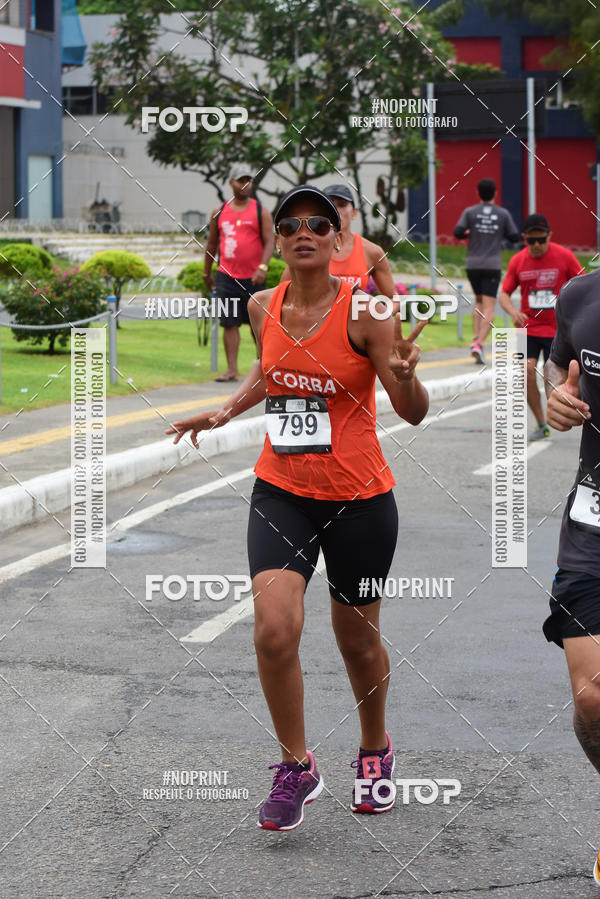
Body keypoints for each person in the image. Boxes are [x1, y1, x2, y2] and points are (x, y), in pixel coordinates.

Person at [167, 184, 429, 831]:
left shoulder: (367, 312)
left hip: (360, 501)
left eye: (319, 222)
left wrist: (405, 373)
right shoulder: (263, 305)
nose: (304, 231)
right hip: (281, 489)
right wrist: (226, 408)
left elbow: (415, 411)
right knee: (273, 628)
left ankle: (374, 749)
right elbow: (271, 369)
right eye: (291, 224)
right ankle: (296, 765)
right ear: (277, 241)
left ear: (340, 238)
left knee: (357, 641)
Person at [541, 266, 600, 882]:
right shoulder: (581, 294)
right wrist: (558, 395)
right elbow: (561, 368)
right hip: (594, 522)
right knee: (592, 698)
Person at [498, 213, 582, 440]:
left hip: (558, 330)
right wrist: (513, 311)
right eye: (530, 241)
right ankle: (541, 422)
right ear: (524, 238)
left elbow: (582, 286)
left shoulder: (565, 256)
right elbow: (504, 293)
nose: (536, 245)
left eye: (541, 240)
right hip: (528, 330)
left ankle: (560, 414)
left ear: (549, 236)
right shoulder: (517, 261)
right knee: (524, 372)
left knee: (552, 375)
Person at [204, 165, 274, 382]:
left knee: (258, 325)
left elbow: (270, 241)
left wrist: (262, 267)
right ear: (230, 183)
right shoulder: (219, 212)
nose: (245, 184)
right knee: (229, 322)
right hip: (226, 276)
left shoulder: (259, 209)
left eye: (248, 180)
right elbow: (212, 243)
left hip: (254, 277)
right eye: (240, 180)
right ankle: (231, 370)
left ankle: (263, 366)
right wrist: (206, 273)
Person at [280, 183, 396, 297]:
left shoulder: (372, 252)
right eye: (331, 205)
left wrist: (380, 314)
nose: (337, 209)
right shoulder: (309, 251)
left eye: (342, 204)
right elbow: (281, 299)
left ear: (354, 213)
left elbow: (392, 297)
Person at [453, 178, 519, 364]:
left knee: (479, 302)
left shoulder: (470, 212)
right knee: (490, 306)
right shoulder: (502, 214)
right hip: (491, 265)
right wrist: (499, 232)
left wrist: (470, 233)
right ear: (495, 193)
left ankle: (475, 338)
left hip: (472, 264)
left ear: (478, 193)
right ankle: (479, 344)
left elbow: (457, 232)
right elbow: (515, 236)